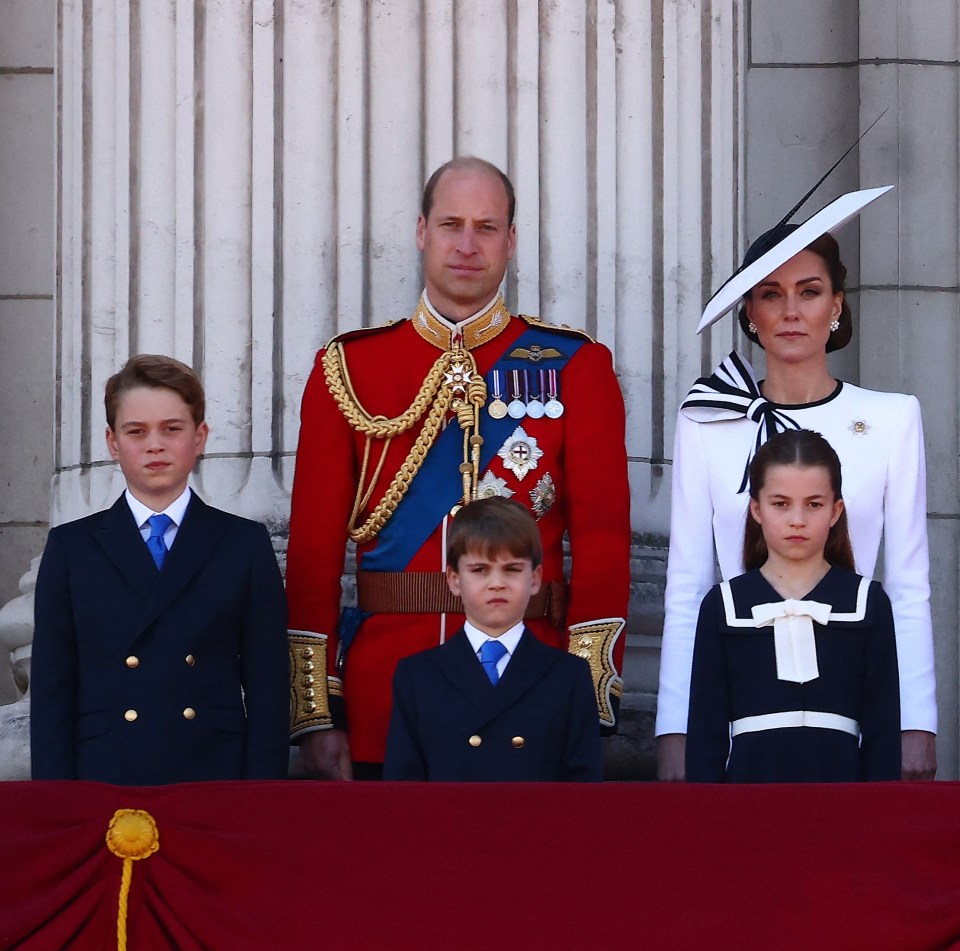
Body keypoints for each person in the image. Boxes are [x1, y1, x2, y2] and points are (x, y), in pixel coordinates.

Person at [286, 157, 630, 779]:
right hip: (383, 695)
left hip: (533, 693)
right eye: (451, 225)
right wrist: (317, 712)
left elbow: (604, 545)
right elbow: (312, 556)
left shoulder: (576, 365)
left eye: (486, 227)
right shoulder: (348, 369)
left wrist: (587, 695)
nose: (467, 245)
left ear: (511, 239)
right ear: (421, 231)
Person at [658, 187, 937, 781]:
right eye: (770, 294)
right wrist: (676, 731)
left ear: (836, 304)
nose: (790, 311)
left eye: (809, 292)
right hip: (739, 705)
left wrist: (916, 723)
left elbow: (909, 587)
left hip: (852, 696)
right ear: (749, 315)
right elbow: (688, 585)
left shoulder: (892, 419)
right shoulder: (708, 420)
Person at [30, 355, 290, 784]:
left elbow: (268, 686)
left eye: (172, 429)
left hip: (213, 771)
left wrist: (261, 795)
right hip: (104, 773)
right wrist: (56, 802)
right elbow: (53, 691)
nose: (155, 445)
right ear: (113, 443)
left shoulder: (242, 544)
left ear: (199, 437)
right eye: (136, 431)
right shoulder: (71, 548)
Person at [686, 429, 900, 782]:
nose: (797, 519)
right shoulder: (723, 604)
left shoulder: (867, 601)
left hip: (842, 799)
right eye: (780, 504)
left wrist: (878, 821)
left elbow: (883, 732)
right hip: (748, 797)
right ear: (756, 508)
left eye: (814, 504)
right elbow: (705, 735)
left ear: (836, 511)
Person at [383, 497, 601, 781]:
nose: (496, 582)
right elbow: (403, 791)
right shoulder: (418, 676)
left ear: (535, 579)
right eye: (480, 570)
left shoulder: (569, 676)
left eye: (512, 569)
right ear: (454, 580)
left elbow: (584, 792)